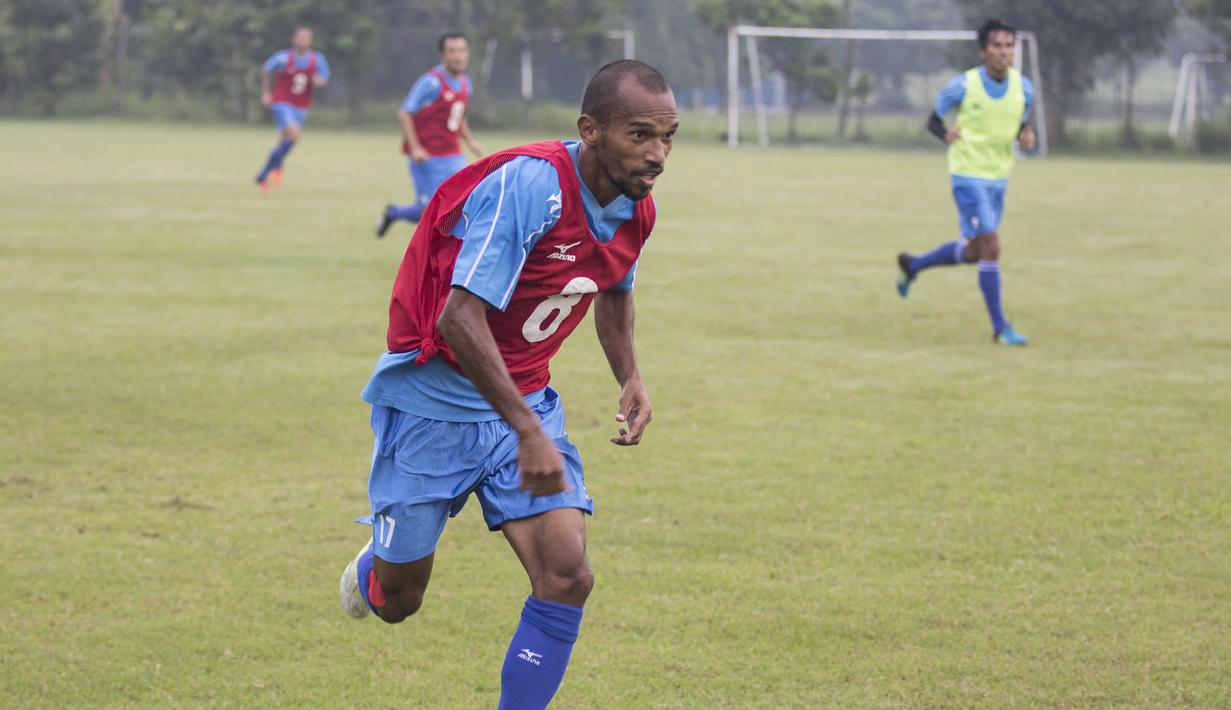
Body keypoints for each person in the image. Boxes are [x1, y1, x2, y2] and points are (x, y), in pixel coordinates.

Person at [339, 60, 677, 710]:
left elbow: (612, 292)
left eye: (667, 136)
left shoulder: (636, 207)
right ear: (591, 130)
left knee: (568, 574)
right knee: (399, 604)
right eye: (640, 135)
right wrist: (527, 431)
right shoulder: (531, 186)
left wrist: (629, 374)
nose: (657, 154)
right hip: (432, 404)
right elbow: (458, 318)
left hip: (523, 404)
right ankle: (374, 569)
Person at [896, 18, 1036, 346]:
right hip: (967, 175)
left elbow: (1018, 125)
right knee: (993, 245)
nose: (1005, 52)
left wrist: (1025, 137)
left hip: (999, 176)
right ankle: (1000, 328)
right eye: (998, 46)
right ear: (984, 51)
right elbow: (933, 120)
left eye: (1009, 46)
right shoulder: (963, 85)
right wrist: (947, 133)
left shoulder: (1024, 88)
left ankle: (914, 265)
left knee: (976, 251)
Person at [376, 33, 484, 237]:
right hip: (427, 158)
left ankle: (454, 255)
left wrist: (471, 142)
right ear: (442, 55)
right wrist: (415, 147)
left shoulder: (465, 83)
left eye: (461, 51)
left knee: (464, 204)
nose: (458, 56)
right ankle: (394, 212)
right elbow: (405, 113)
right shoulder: (431, 83)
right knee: (429, 212)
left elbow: (458, 115)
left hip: (453, 155)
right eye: (452, 51)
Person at [255, 27, 330, 191]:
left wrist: (318, 81)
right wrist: (266, 93)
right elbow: (266, 69)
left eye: (307, 38)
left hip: (302, 105)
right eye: (300, 38)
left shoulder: (317, 59)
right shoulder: (283, 57)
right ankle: (268, 171)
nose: (303, 41)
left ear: (310, 41)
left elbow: (324, 78)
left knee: (286, 140)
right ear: (294, 39)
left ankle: (267, 173)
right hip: (282, 102)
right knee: (294, 135)